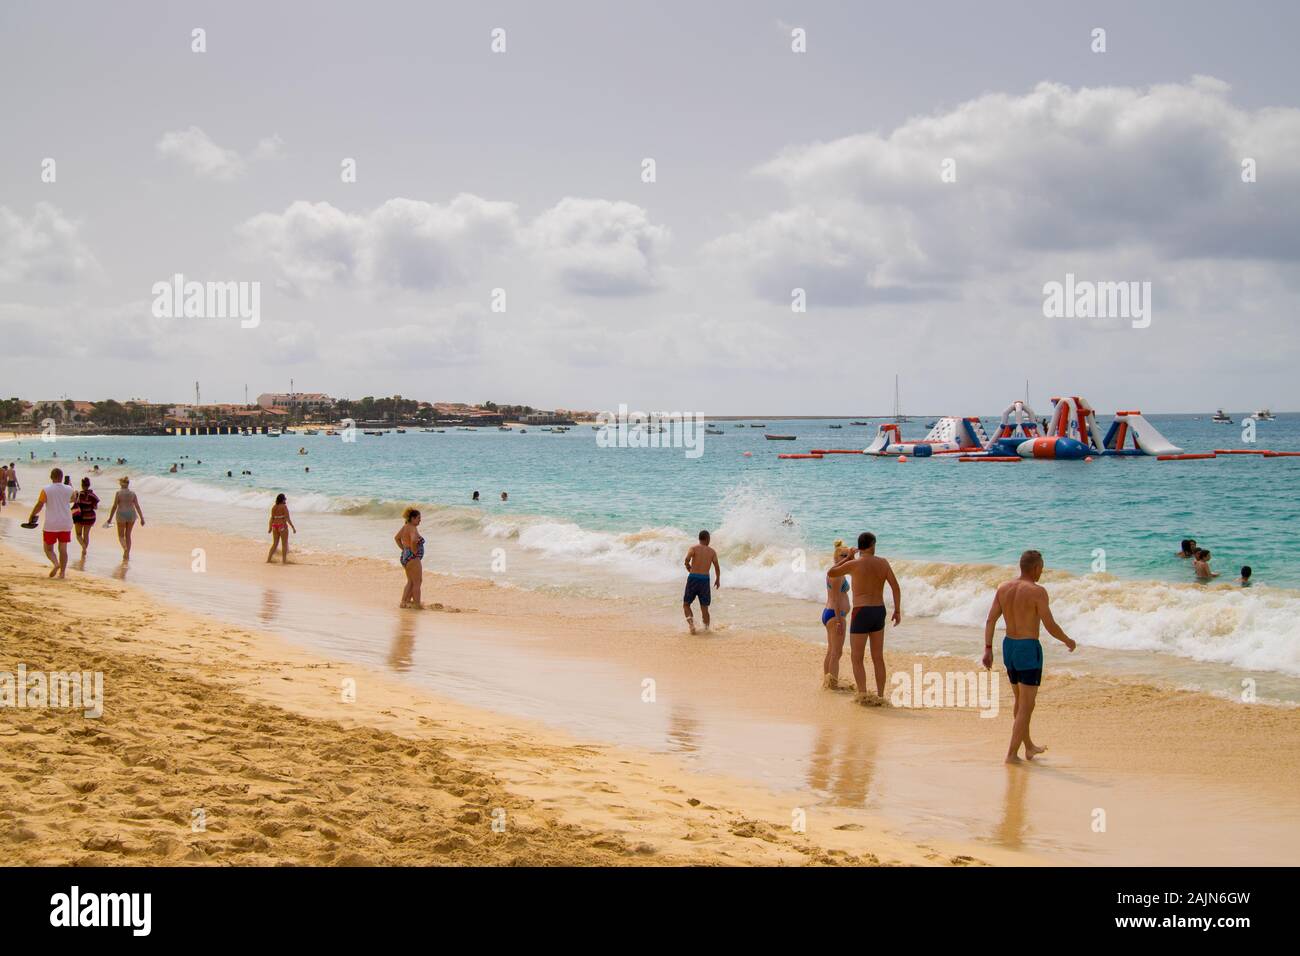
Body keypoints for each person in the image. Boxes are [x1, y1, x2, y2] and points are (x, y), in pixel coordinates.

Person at [982, 550, 1077, 763]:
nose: (1041, 572)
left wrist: (988, 648)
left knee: (1021, 702)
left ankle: (1028, 747)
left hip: (1009, 647)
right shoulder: (1037, 592)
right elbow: (1050, 625)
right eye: (1041, 568)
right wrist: (1067, 640)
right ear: (1034, 568)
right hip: (1027, 648)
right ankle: (1011, 755)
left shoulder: (1003, 588)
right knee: (1026, 705)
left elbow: (990, 620)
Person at [827, 532, 901, 702]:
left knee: (857, 657)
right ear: (872, 545)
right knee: (878, 657)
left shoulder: (854, 564)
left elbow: (831, 572)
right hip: (879, 611)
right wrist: (897, 610)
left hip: (861, 612)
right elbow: (896, 588)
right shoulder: (883, 563)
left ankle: (863, 694)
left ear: (859, 547)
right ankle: (881, 695)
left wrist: (848, 558)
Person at [27, 467, 75, 578]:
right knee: (63, 549)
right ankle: (62, 573)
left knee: (48, 549)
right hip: (66, 522)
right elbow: (73, 499)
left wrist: (32, 515)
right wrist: (70, 486)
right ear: (62, 477)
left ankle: (56, 563)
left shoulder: (46, 489)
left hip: (51, 523)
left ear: (51, 477)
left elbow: (40, 504)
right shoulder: (69, 489)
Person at [822, 540, 853, 689]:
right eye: (843, 555)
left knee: (831, 651)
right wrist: (840, 620)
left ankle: (828, 681)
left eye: (848, 555)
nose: (847, 557)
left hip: (831, 614)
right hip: (836, 615)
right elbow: (835, 598)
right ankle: (832, 684)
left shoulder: (837, 571)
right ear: (836, 557)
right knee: (837, 652)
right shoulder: (837, 575)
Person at [682, 530, 721, 634]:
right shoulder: (712, 552)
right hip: (704, 580)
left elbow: (687, 559)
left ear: (699, 538)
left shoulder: (693, 548)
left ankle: (691, 626)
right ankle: (706, 629)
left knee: (686, 604)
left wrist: (688, 566)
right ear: (707, 539)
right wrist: (717, 579)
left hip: (693, 578)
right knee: (704, 608)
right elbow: (717, 567)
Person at [104, 476, 145, 562]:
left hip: (121, 514)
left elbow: (115, 506)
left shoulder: (118, 493)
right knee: (128, 535)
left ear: (121, 484)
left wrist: (110, 518)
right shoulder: (133, 493)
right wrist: (142, 518)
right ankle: (127, 554)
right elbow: (137, 506)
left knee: (121, 536)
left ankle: (125, 549)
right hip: (132, 514)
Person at [395, 508, 425, 608]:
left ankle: (404, 602)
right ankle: (417, 605)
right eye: (418, 518)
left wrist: (404, 549)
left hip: (406, 556)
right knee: (417, 582)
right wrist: (414, 551)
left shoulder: (405, 527)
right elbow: (413, 540)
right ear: (412, 518)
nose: (420, 520)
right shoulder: (412, 528)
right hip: (413, 557)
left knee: (411, 581)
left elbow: (397, 538)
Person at [72, 476, 100, 560]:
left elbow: (73, 502)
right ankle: (83, 551)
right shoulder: (93, 496)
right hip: (90, 516)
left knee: (78, 535)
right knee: (86, 534)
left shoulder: (78, 494)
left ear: (82, 485)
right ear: (89, 485)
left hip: (79, 516)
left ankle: (83, 547)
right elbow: (95, 507)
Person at [266, 494, 297, 564]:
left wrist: (270, 528)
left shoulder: (274, 507)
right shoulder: (284, 507)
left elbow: (272, 518)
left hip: (274, 526)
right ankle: (284, 561)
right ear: (282, 499)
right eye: (285, 499)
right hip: (282, 526)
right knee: (284, 544)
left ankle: (268, 559)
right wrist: (293, 527)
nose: (285, 500)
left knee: (275, 544)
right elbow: (287, 518)